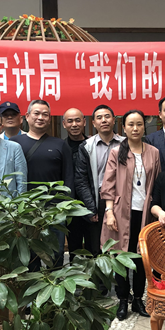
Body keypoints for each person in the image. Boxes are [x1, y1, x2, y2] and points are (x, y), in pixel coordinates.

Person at [100, 110, 161, 321]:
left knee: (142, 257)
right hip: (120, 213)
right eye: (131, 124)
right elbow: (108, 184)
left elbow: (157, 184)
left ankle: (138, 299)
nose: (135, 128)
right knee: (121, 257)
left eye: (139, 124)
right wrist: (109, 212)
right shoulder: (117, 152)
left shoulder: (154, 152)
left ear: (144, 127)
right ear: (124, 128)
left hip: (145, 214)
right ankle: (123, 300)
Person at [11, 100, 74, 267]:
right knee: (28, 254)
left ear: (50, 118)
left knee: (56, 252)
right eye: (36, 113)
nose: (40, 117)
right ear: (27, 116)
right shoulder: (14, 143)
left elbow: (69, 177)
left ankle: (56, 282)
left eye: (45, 114)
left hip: (54, 209)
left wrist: (66, 206)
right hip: (25, 209)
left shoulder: (60, 144)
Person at [75, 105, 125, 256]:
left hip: (121, 198)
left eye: (107, 116)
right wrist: (91, 208)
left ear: (114, 120)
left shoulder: (126, 144)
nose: (104, 120)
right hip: (97, 200)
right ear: (93, 123)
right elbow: (81, 180)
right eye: (99, 117)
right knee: (97, 247)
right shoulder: (86, 146)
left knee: (121, 244)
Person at [62, 108, 91, 258]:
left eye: (78, 120)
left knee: (93, 246)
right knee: (74, 247)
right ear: (64, 124)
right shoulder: (60, 147)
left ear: (84, 122)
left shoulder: (92, 145)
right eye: (70, 121)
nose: (74, 124)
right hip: (70, 206)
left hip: (91, 204)